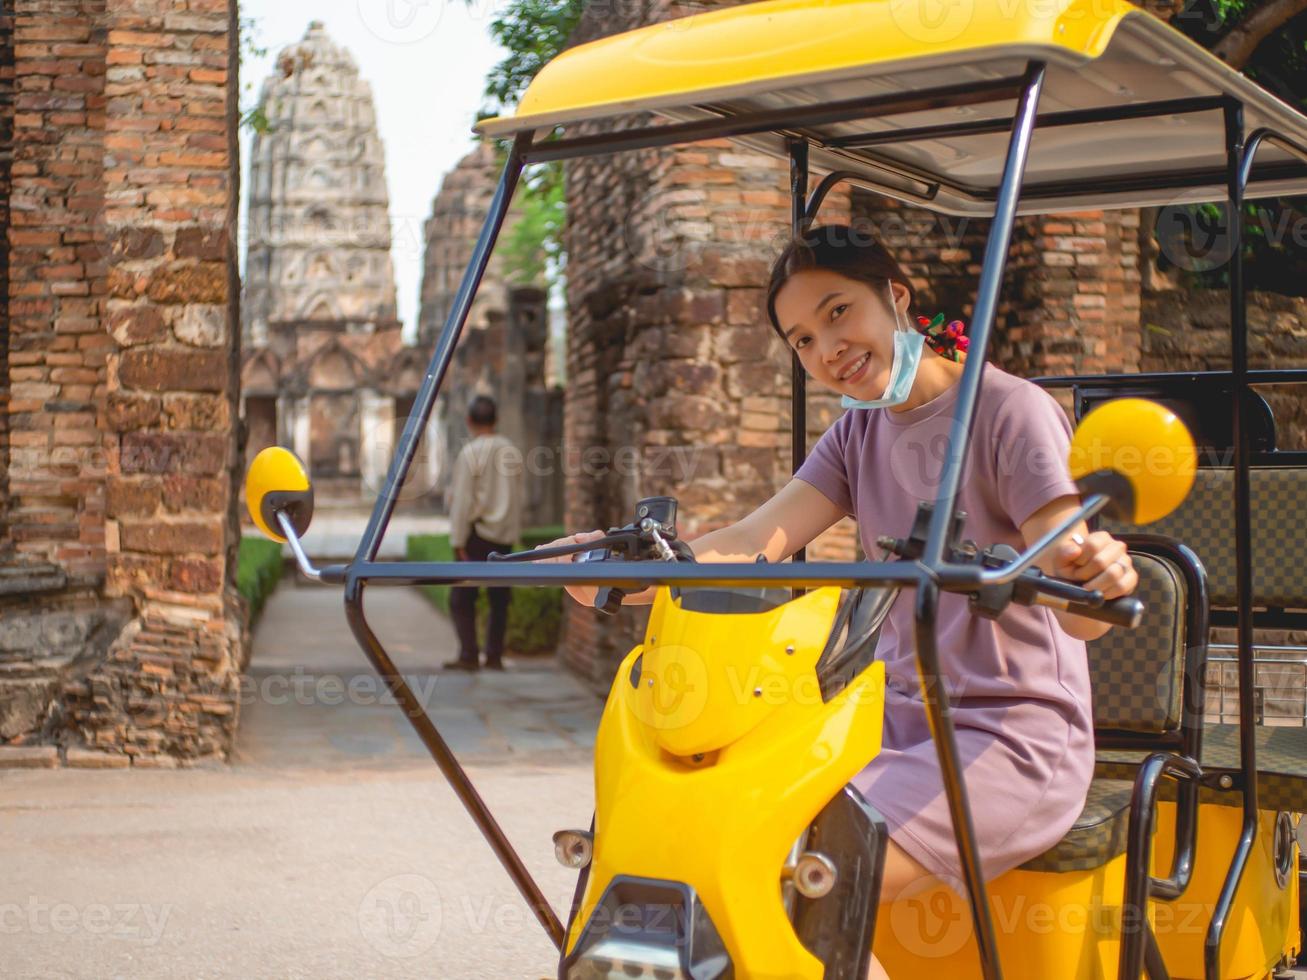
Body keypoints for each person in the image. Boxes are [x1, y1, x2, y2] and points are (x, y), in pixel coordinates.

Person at [541, 224, 1140, 978]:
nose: (825, 349)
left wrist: (1095, 573)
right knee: (711, 829)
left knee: (798, 865)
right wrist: (632, 569)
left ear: (895, 297)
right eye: (800, 339)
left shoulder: (1007, 411)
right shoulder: (857, 431)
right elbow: (758, 535)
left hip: (1007, 733)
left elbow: (1072, 589)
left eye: (836, 313)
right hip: (879, 725)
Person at [443, 395, 522, 672]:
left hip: (478, 534)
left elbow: (462, 502)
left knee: (462, 598)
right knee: (499, 599)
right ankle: (494, 656)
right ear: (496, 420)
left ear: (469, 421)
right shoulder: (511, 450)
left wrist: (458, 540)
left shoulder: (471, 453)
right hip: (503, 537)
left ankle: (468, 654)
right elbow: (515, 497)